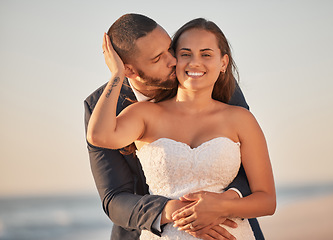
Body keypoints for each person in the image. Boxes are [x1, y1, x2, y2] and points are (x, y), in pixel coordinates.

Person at [86, 15, 276, 240]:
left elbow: (255, 177)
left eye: (171, 49)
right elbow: (114, 197)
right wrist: (181, 213)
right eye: (159, 58)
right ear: (130, 71)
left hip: (229, 228)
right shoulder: (116, 109)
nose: (174, 61)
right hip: (152, 228)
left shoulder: (225, 97)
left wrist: (222, 205)